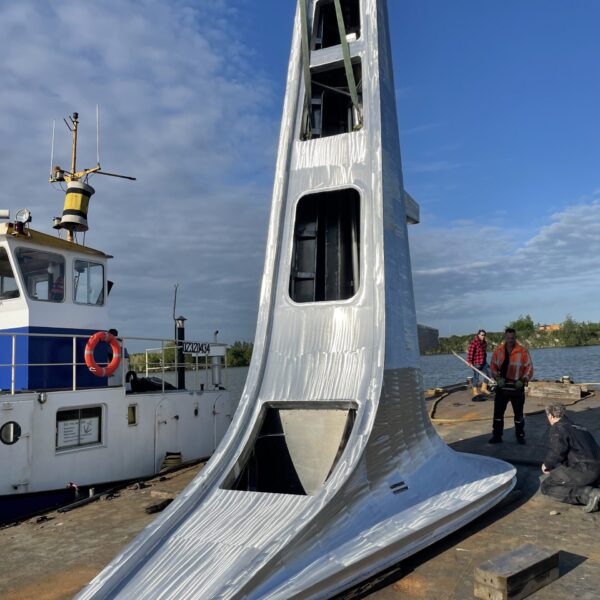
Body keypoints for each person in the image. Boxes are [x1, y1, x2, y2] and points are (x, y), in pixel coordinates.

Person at [540, 402, 600, 513]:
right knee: (564, 475)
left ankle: (588, 495)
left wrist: (547, 465)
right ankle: (593, 487)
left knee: (547, 485)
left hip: (584, 469)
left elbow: (556, 452)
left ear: (551, 416)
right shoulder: (581, 427)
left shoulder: (558, 427)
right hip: (597, 469)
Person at [489, 327, 533, 444]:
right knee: (498, 413)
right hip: (502, 386)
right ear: (505, 338)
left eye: (512, 338)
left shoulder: (523, 351)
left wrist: (523, 380)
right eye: (508, 338)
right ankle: (497, 436)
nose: (510, 340)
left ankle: (520, 435)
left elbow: (529, 368)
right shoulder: (498, 351)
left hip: (517, 386)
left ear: (515, 338)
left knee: (518, 414)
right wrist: (497, 378)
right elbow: (492, 367)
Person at [466, 329, 492, 397]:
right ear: (478, 335)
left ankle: (483, 388)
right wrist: (469, 361)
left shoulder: (484, 343)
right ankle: (475, 391)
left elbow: (484, 353)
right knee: (476, 377)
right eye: (482, 335)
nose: (483, 336)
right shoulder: (474, 342)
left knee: (490, 372)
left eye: (484, 335)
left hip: (483, 363)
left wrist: (485, 361)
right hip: (476, 363)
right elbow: (470, 353)